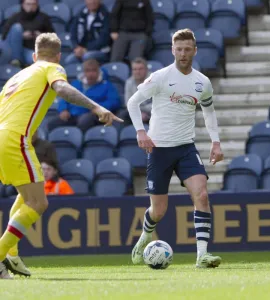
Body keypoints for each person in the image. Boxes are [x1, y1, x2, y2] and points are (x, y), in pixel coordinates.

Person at [0, 32, 122, 279]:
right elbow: (62, 88)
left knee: (28, 196)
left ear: (34, 55)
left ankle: (10, 256)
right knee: (39, 203)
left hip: (3, 135)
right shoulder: (52, 68)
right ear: (58, 56)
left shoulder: (17, 76)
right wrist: (96, 107)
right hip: (14, 138)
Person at [127, 29, 224, 268]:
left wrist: (216, 141)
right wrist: (140, 131)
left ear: (194, 50)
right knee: (158, 210)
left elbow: (209, 111)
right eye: (178, 49)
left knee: (201, 194)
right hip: (159, 149)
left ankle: (202, 256)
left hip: (185, 148)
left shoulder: (202, 82)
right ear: (172, 50)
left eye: (187, 49)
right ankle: (145, 236)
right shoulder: (160, 77)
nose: (183, 53)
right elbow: (133, 102)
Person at [48, 59, 121, 133]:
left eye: (93, 71)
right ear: (84, 72)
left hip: (92, 115)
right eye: (88, 71)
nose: (90, 74)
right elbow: (64, 98)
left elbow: (114, 101)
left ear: (98, 71)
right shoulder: (76, 83)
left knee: (84, 121)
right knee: (52, 124)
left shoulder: (107, 85)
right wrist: (63, 110)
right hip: (72, 114)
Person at [2, 0, 54, 67]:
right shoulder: (15, 17)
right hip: (15, 49)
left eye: (33, 4)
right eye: (28, 4)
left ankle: (20, 63)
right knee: (17, 28)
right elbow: (4, 35)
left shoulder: (43, 18)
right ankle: (16, 60)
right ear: (23, 4)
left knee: (36, 60)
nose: (31, 6)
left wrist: (41, 36)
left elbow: (53, 37)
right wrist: (21, 36)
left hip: (30, 49)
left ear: (37, 4)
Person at [65, 0, 110, 65]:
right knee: (69, 60)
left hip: (101, 51)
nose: (92, 2)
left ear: (100, 1)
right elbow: (73, 33)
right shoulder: (81, 14)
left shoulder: (105, 15)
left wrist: (87, 49)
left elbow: (103, 39)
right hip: (83, 49)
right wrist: (76, 47)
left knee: (87, 56)